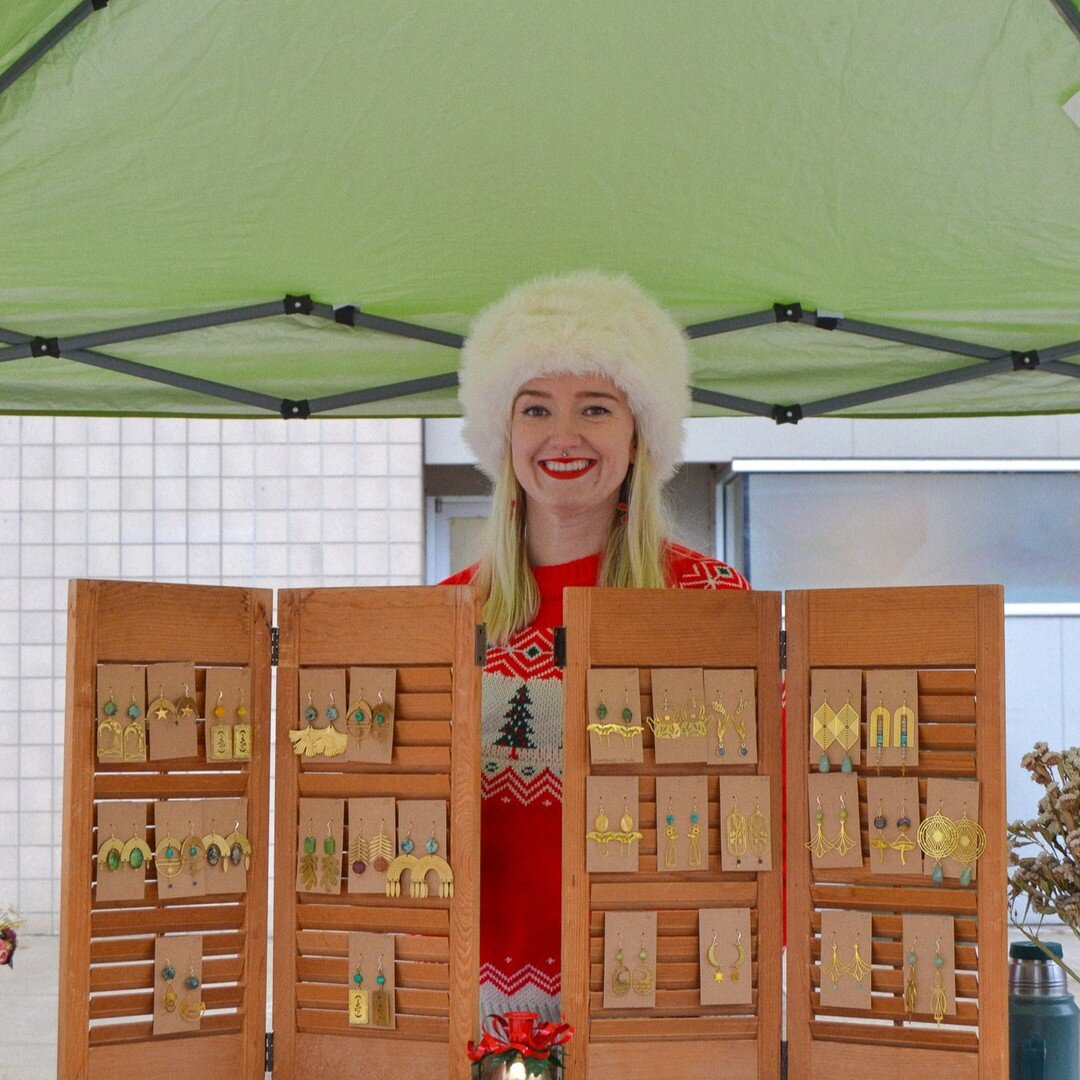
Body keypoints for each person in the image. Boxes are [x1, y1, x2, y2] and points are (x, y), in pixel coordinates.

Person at [442, 270, 750, 1022]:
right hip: (475, 1010)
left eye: (596, 408)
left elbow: (757, 810)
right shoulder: (450, 611)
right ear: (504, 435)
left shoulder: (710, 601)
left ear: (639, 432)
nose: (564, 435)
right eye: (536, 407)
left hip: (664, 996)